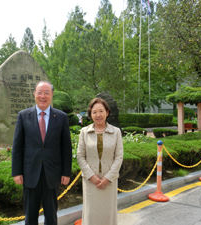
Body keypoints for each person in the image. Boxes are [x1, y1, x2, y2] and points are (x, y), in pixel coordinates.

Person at [11, 81, 72, 225]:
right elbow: (17, 147)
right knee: (30, 215)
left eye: (46, 92)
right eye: (39, 92)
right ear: (34, 94)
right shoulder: (24, 116)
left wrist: (66, 172)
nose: (42, 96)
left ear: (52, 95)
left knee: (51, 215)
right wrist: (16, 172)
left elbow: (66, 148)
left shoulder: (61, 117)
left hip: (52, 173)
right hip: (30, 173)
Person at [77, 98, 123, 225]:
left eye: (101, 111)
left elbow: (119, 157)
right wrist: (91, 176)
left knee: (108, 213)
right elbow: (80, 156)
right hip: (90, 181)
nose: (98, 115)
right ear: (90, 114)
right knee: (91, 213)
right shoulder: (84, 132)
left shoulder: (116, 132)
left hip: (110, 181)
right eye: (94, 112)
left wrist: (108, 177)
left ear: (107, 112)